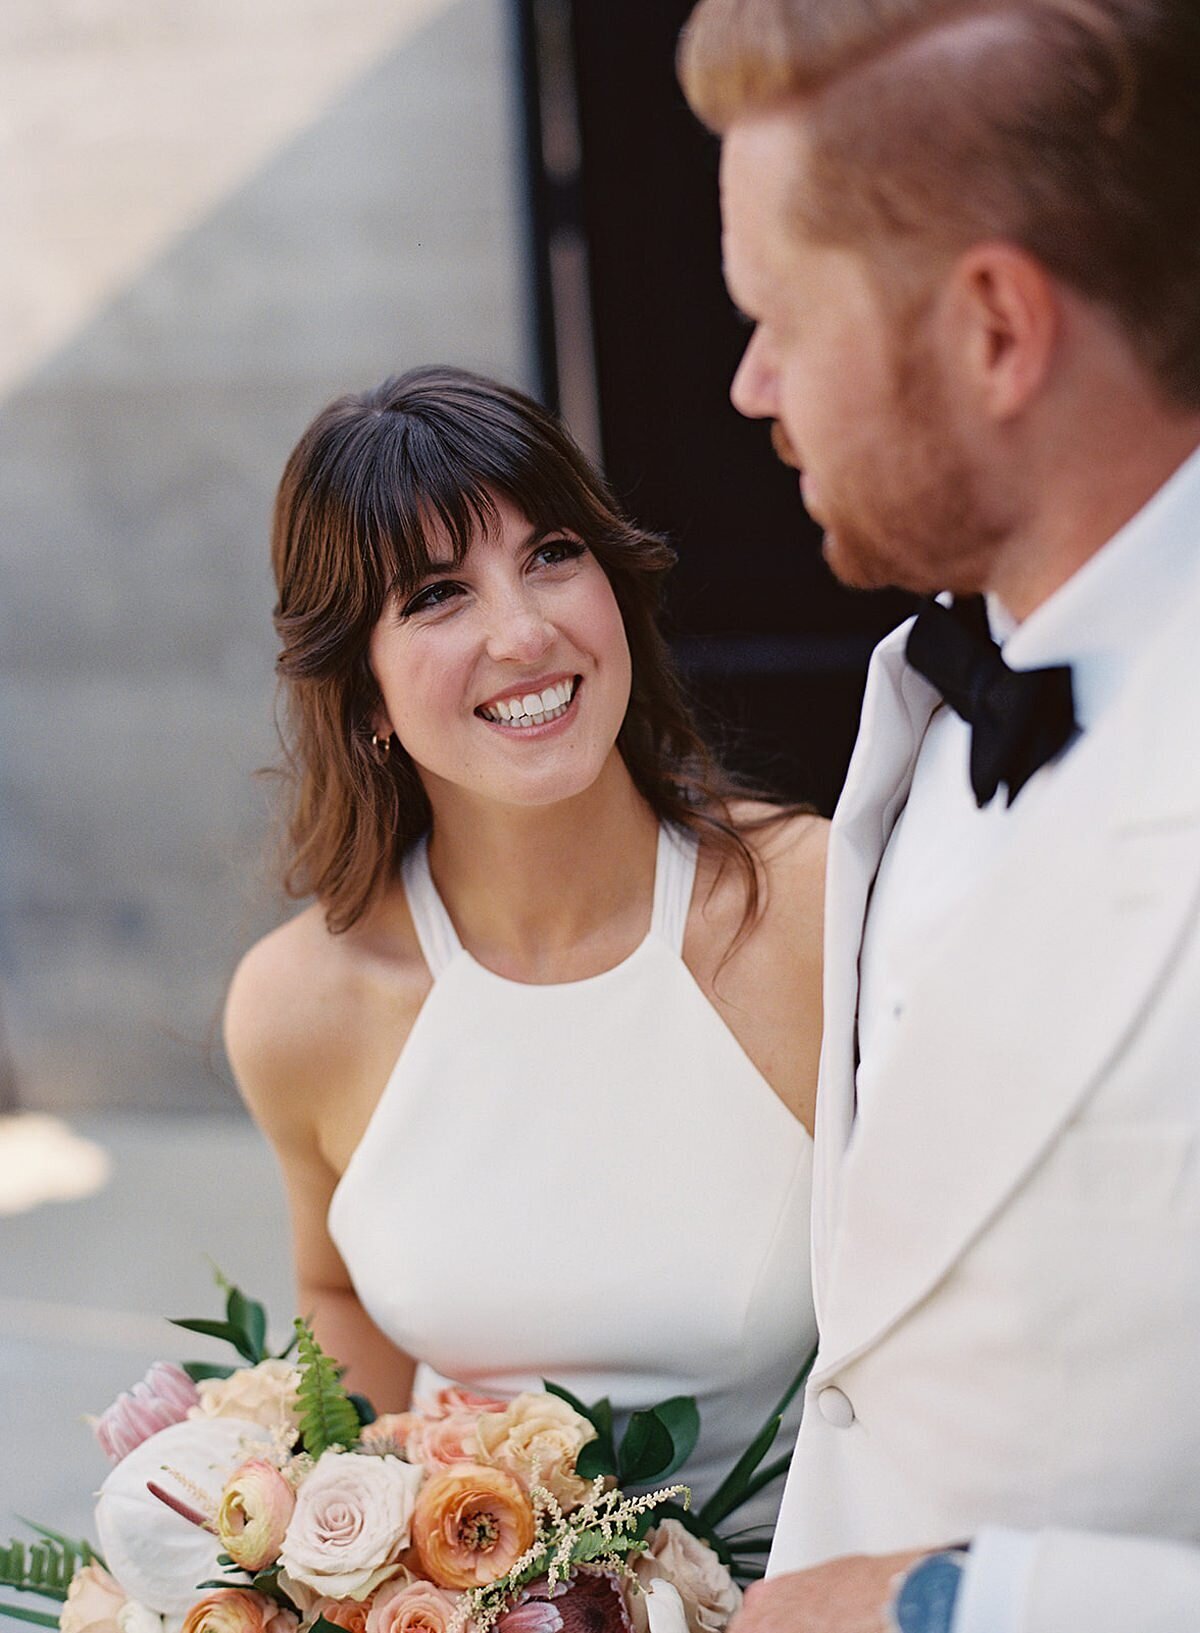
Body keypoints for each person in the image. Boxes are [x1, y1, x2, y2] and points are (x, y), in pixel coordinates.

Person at [679, 0, 1200, 1629]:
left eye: (782, 313)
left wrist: (954, 1602)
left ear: (993, 328)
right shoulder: (917, 698)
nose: (752, 380)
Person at [224, 366, 827, 1534]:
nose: (524, 629)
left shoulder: (807, 906)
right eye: (439, 595)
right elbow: (337, 1295)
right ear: (366, 697)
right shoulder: (300, 1006)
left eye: (552, 552)